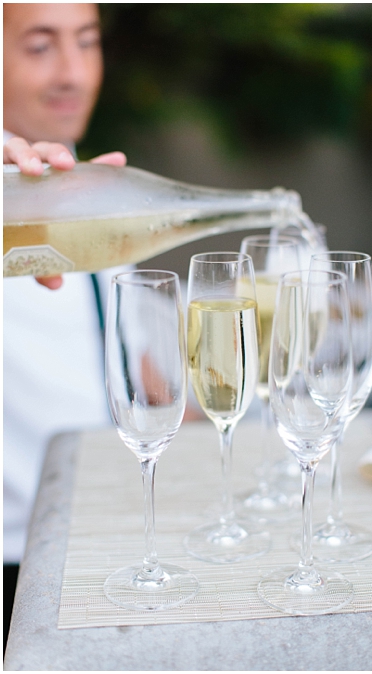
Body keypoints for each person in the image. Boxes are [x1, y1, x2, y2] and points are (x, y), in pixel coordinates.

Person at [3, 3, 127, 650]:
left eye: (87, 42)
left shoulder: (85, 183)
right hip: (16, 580)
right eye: (40, 46)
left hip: (100, 549)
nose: (74, 73)